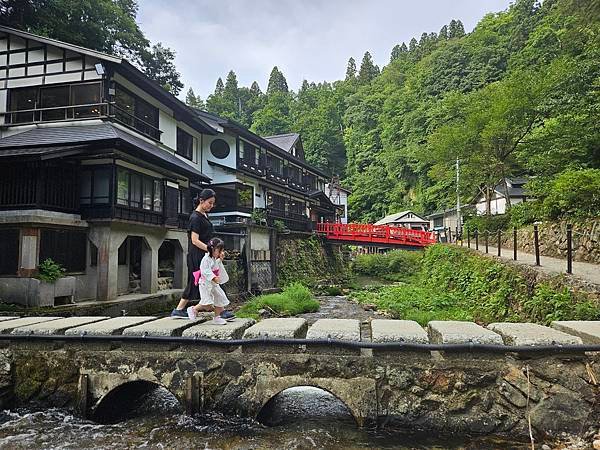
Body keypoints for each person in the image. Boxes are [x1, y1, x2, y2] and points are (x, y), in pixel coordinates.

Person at [170, 189, 234, 320]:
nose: (211, 206)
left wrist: (216, 251)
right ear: (201, 201)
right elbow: (194, 240)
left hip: (204, 254)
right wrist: (211, 250)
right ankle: (218, 312)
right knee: (200, 281)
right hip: (197, 255)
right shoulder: (195, 217)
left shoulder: (204, 215)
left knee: (206, 281)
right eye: (209, 203)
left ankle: (181, 310)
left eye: (212, 203)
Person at [187, 237, 231, 324]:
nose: (221, 253)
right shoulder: (206, 259)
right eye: (220, 251)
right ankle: (193, 309)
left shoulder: (213, 259)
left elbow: (215, 266)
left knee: (220, 298)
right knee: (207, 302)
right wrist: (214, 277)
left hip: (213, 284)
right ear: (213, 250)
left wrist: (219, 260)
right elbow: (205, 271)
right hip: (205, 284)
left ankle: (217, 317)